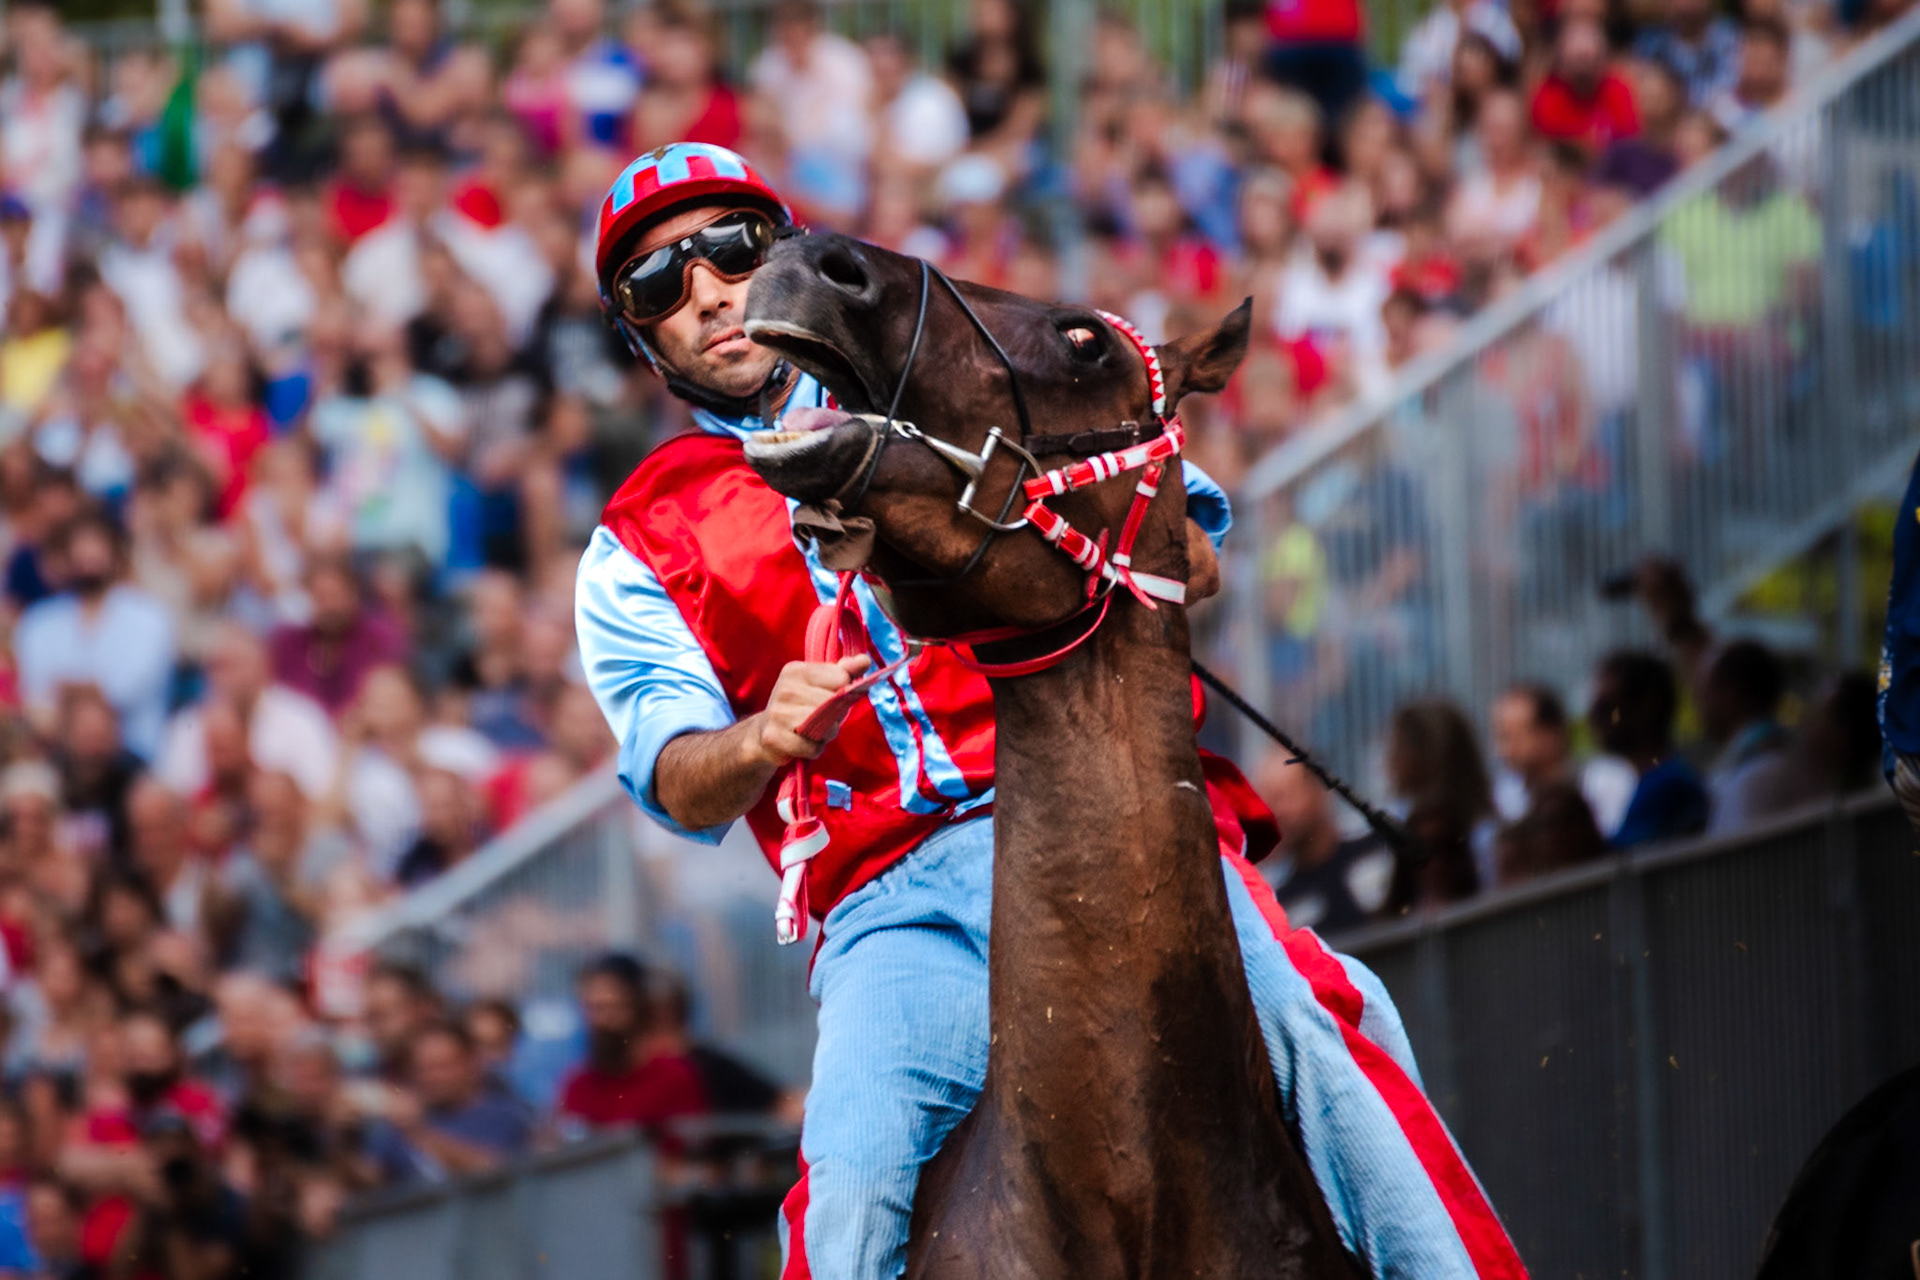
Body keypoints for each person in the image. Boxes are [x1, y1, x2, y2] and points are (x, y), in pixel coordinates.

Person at [575, 140, 1522, 1278]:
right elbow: (674, 779)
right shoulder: (635, 541)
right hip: (893, 910)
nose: (710, 291)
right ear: (641, 338)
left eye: (730, 247)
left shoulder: (951, 363)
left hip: (1110, 820)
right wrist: (759, 738)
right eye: (659, 284)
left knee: (1328, 1025)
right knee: (851, 1185)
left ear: (784, 253)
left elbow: (1191, 540)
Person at [14, 510, 175, 761]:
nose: (87, 557)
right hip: (57, 757)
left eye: (96, 546)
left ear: (116, 554)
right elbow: (36, 700)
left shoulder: (150, 618)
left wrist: (68, 691)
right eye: (79, 548)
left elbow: (123, 693)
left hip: (133, 758)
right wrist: (90, 691)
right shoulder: (38, 621)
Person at [362, 1022, 531, 1182]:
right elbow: (369, 1181)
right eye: (423, 1069)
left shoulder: (504, 1114)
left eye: (443, 1066)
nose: (433, 1077)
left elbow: (495, 1174)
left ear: (471, 1063)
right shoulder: (398, 1127)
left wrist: (419, 1133)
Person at [1255, 747, 1393, 933]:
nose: (1277, 813)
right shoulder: (1279, 906)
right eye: (1268, 803)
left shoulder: (1379, 849)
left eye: (1283, 797)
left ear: (1318, 790)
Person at [1588, 650, 1709, 848]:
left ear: (1647, 705)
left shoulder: (1669, 785)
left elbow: (1624, 860)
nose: (1594, 720)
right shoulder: (1659, 780)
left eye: (1607, 708)